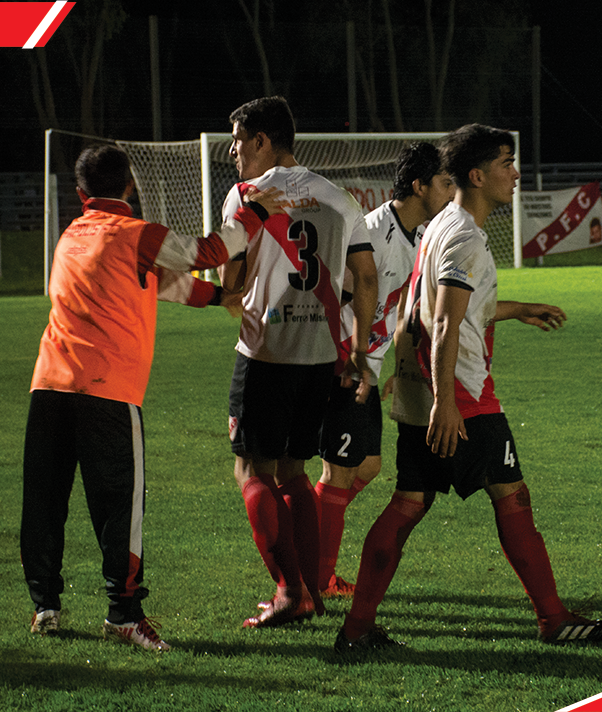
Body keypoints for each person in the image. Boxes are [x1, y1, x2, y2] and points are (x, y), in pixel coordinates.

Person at [335, 124, 602, 652]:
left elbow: (424, 309)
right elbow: (444, 323)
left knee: (408, 503)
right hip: (461, 396)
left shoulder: (439, 225)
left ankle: (357, 628)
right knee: (512, 497)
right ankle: (553, 619)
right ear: (477, 174)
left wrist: (514, 312)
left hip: (425, 391)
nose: (515, 174)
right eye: (506, 163)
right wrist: (447, 403)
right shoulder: (466, 237)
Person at [21, 144, 284, 651]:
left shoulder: (71, 236)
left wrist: (215, 298)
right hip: (107, 391)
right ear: (130, 187)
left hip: (49, 385)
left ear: (80, 194)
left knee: (44, 502)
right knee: (121, 506)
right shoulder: (135, 234)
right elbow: (207, 252)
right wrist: (255, 213)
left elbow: (157, 283)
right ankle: (123, 613)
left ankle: (45, 606)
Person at [219, 96, 378, 628]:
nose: (233, 154)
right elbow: (366, 281)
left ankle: (290, 592)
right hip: (320, 357)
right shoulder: (341, 199)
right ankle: (311, 588)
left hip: (265, 351)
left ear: (263, 141)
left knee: (250, 470)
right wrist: (357, 350)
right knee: (294, 471)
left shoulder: (246, 196)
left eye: (239, 142)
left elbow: (231, 281)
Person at [315, 142, 453, 599]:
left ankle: (309, 542)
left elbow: (397, 308)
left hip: (367, 366)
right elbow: (338, 297)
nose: (450, 192)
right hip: (342, 364)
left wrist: (394, 363)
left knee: (368, 466)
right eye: (444, 183)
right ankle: (314, 576)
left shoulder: (419, 237)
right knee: (338, 473)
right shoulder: (373, 232)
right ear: (419, 186)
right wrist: (348, 360)